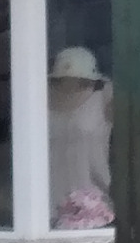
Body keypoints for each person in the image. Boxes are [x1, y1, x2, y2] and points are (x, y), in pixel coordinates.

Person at [48, 44, 113, 226]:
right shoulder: (38, 95)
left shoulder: (105, 95)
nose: (71, 82)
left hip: (93, 201)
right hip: (45, 200)